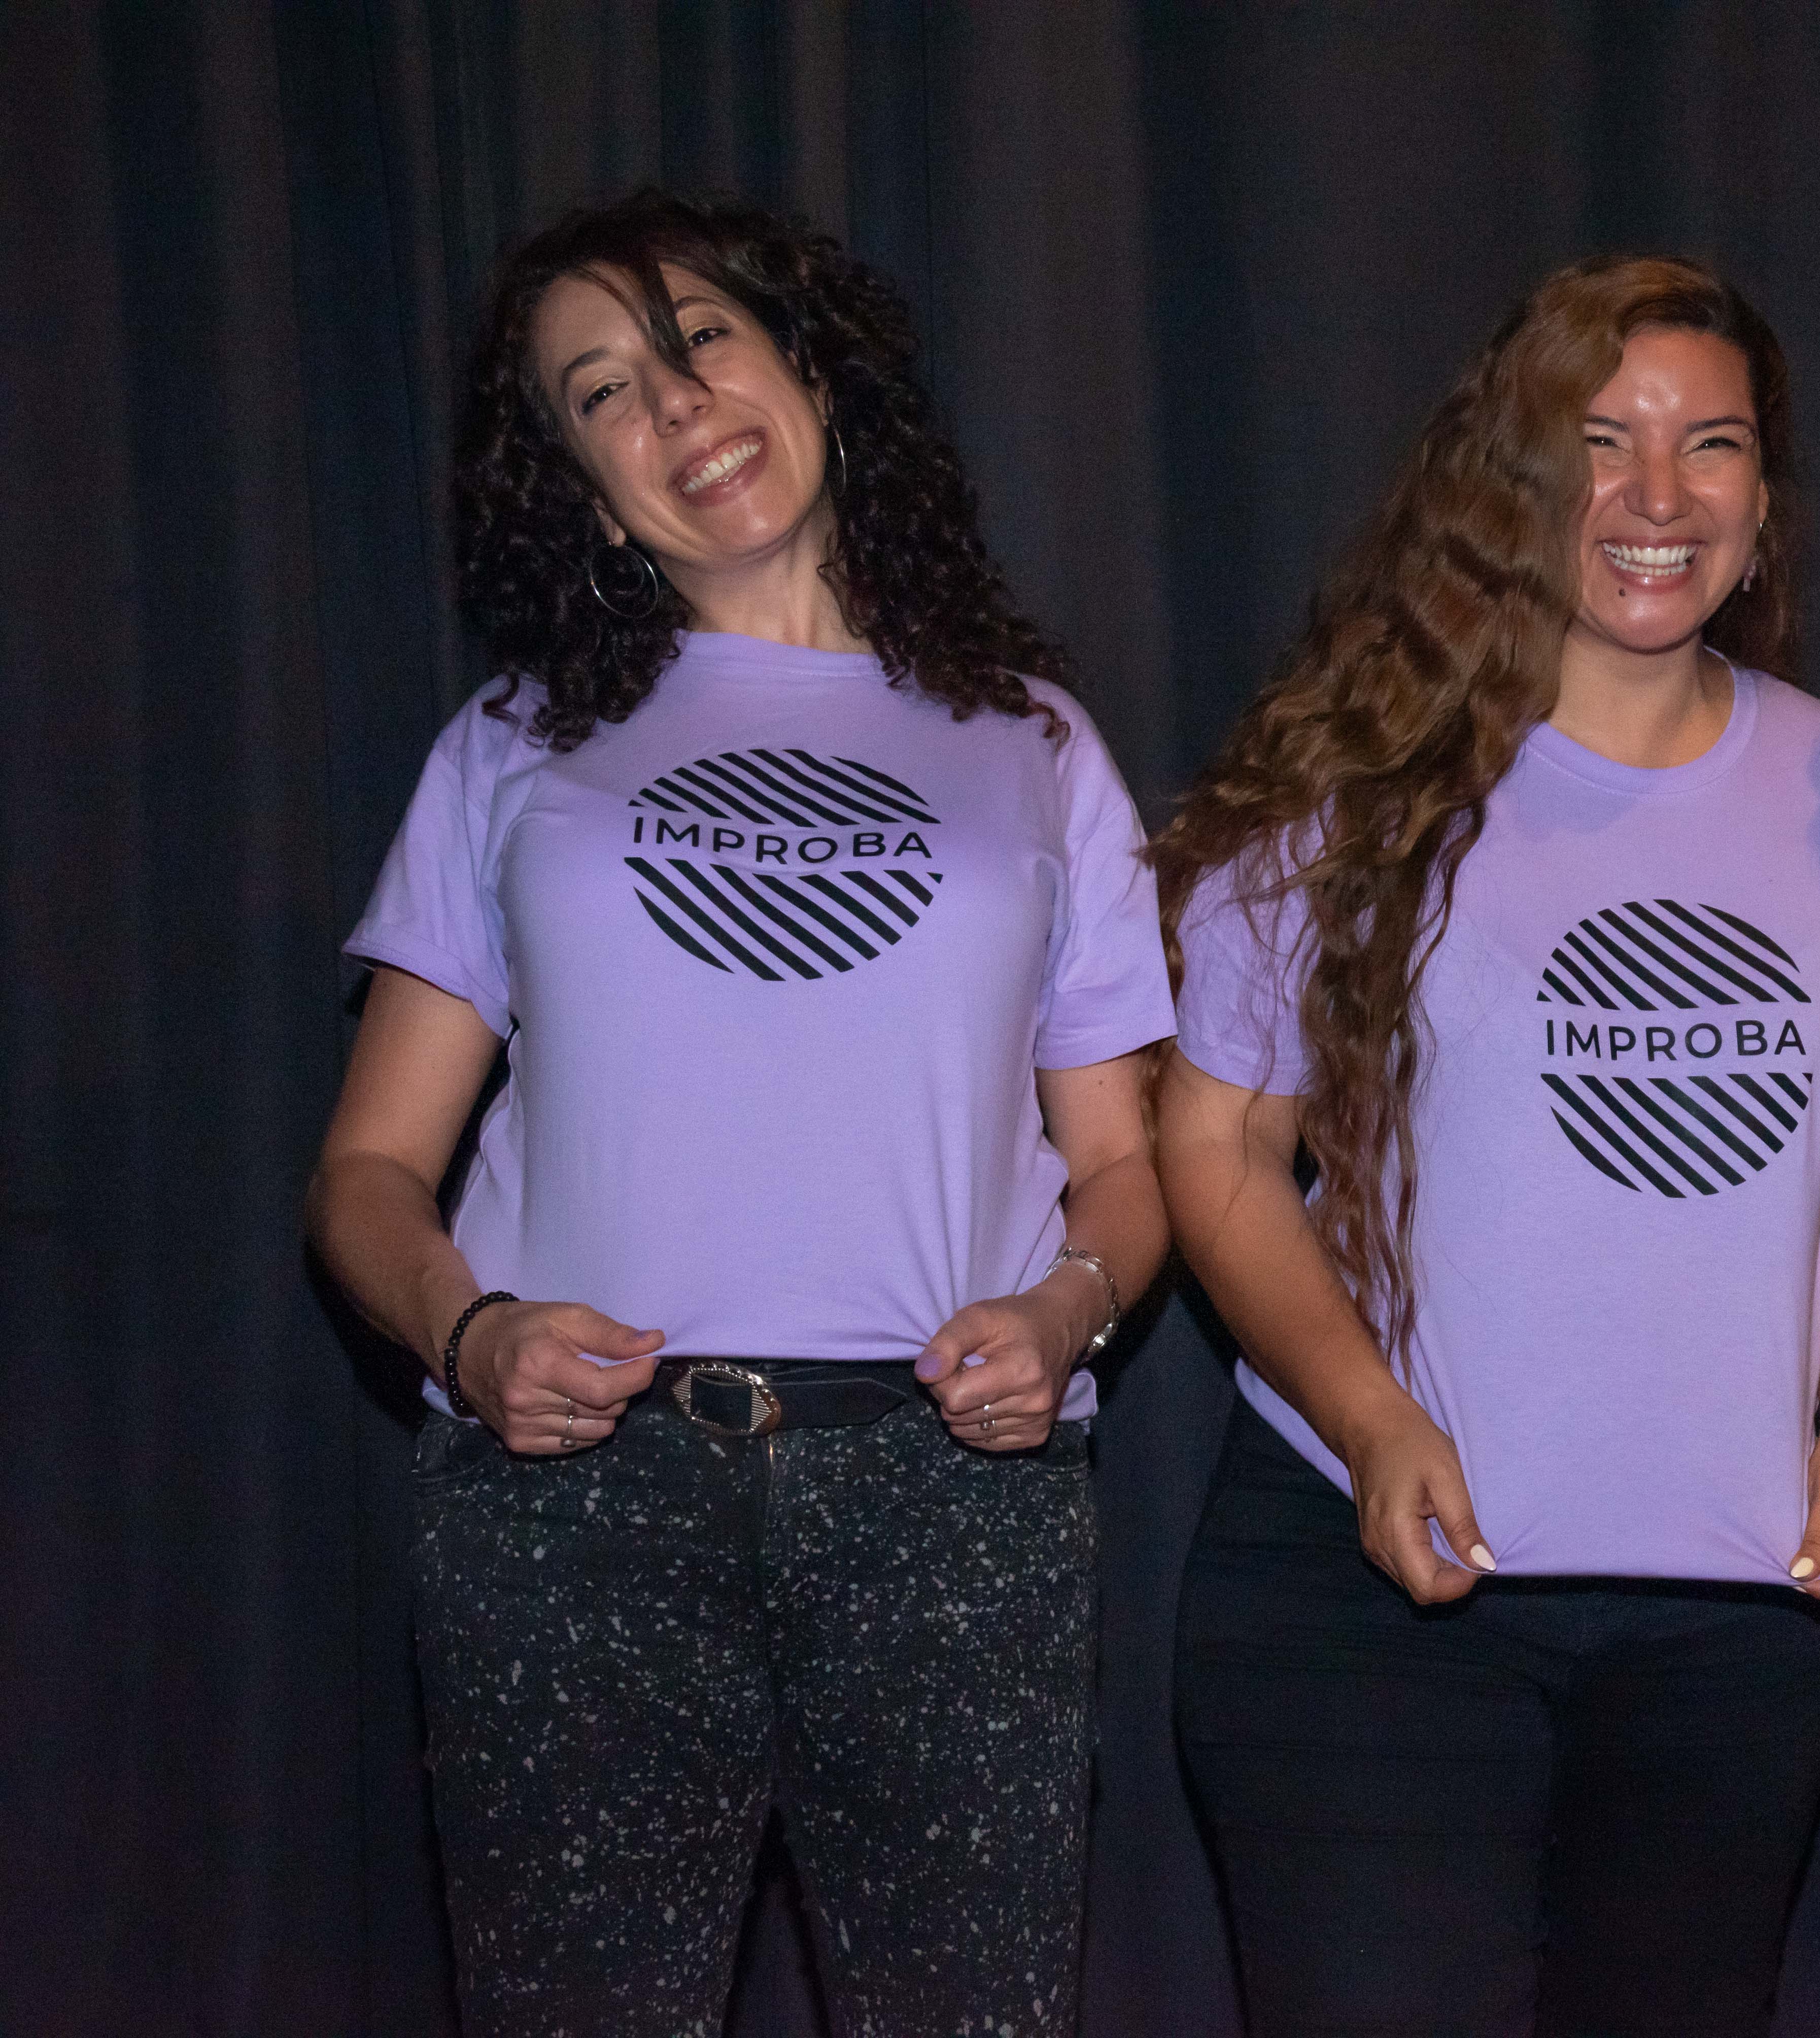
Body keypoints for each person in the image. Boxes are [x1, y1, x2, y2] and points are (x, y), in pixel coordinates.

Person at [304, 188, 1170, 2036]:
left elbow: (1124, 1166)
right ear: (589, 493)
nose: (676, 404)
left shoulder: (1034, 745)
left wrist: (1066, 1313)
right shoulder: (513, 744)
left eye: (700, 338)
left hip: (953, 1505)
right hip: (578, 1505)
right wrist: (468, 1336)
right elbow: (369, 1171)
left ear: (815, 376)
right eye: (603, 392)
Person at [1153, 255, 1820, 2037]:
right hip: (1368, 1606)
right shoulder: (1361, 776)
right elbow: (1214, 1146)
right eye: (1603, 442)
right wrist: (1371, 1424)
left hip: (1741, 1622)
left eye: (1713, 445)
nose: (1659, 496)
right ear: (1513, 478)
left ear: (1764, 500)